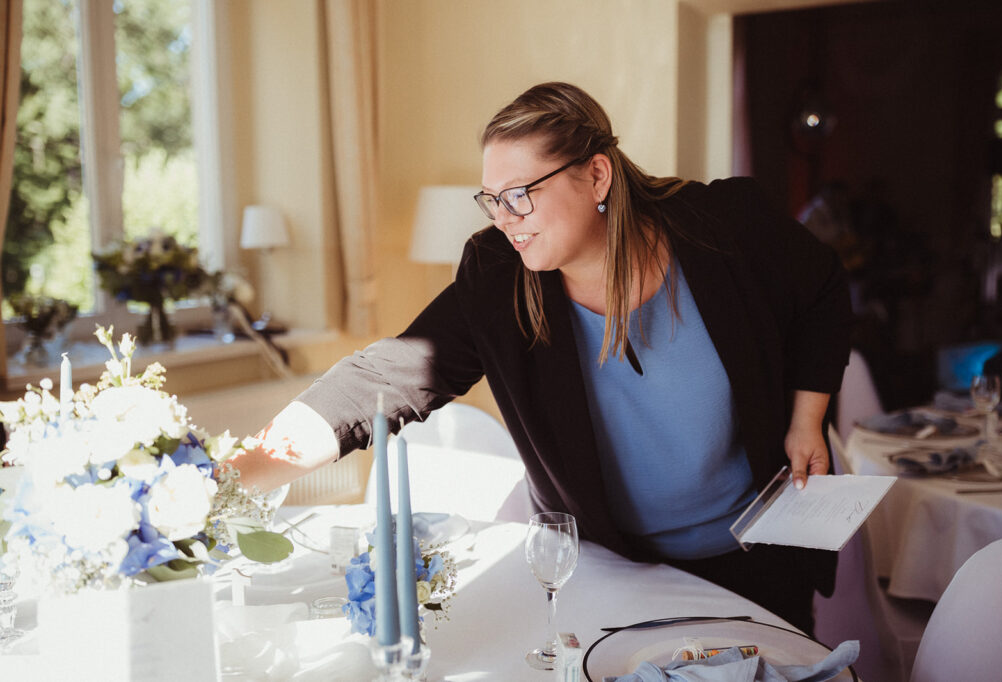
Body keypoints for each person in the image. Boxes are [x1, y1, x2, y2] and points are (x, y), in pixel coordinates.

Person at [229, 82, 852, 633]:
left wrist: (807, 416)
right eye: (491, 199)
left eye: (520, 194)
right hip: (611, 574)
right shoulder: (500, 278)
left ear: (597, 177)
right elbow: (380, 380)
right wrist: (226, 480)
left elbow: (823, 286)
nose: (504, 220)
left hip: (757, 562)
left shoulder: (723, 226)